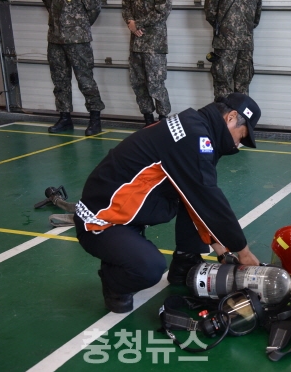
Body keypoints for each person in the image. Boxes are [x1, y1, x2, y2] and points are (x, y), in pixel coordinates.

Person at [74, 93, 262, 313]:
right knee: (149, 268)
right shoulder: (194, 137)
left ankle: (185, 262)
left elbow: (196, 200)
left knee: (193, 196)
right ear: (231, 117)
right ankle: (113, 279)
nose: (237, 145)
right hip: (101, 220)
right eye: (241, 136)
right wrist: (242, 251)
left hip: (128, 212)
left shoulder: (195, 126)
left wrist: (222, 251)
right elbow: (209, 200)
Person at [43, 0, 105, 136]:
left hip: (78, 39)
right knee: (59, 80)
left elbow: (94, 8)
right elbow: (49, 4)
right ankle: (65, 117)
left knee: (85, 81)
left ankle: (95, 119)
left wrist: (79, 25)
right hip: (55, 37)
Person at [122, 0, 172, 127]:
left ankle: (163, 122)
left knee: (156, 84)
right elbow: (126, 6)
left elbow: (163, 11)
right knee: (138, 84)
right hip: (136, 44)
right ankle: (148, 121)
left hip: (154, 44)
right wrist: (130, 22)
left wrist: (137, 24)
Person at [204, 0, 262, 101]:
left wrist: (225, 27)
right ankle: (240, 111)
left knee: (222, 86)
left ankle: (223, 111)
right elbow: (256, 18)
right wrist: (243, 29)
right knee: (242, 87)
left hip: (225, 42)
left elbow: (210, 13)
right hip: (245, 43)